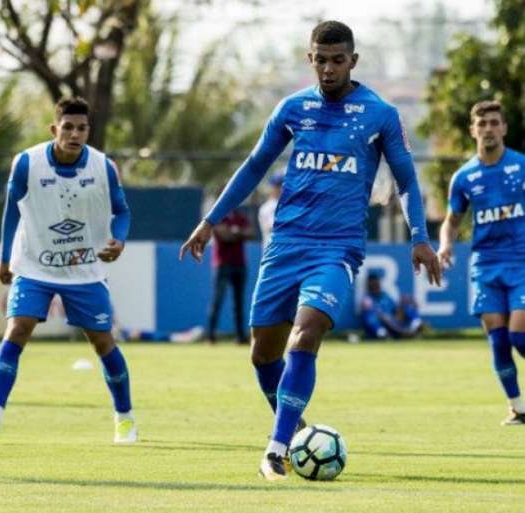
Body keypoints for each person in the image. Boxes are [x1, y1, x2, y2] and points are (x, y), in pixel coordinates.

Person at [180, 20, 441, 481]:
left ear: (353, 61)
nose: (328, 68)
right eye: (320, 59)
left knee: (308, 333)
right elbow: (254, 166)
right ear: (310, 59)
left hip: (337, 248)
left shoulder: (379, 114)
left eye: (337, 60)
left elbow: (406, 180)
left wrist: (419, 236)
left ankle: (276, 450)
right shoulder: (292, 108)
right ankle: (294, 426)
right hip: (285, 245)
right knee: (263, 354)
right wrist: (209, 221)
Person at [0, 97, 137, 445]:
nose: (75, 134)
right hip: (33, 263)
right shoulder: (27, 162)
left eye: (82, 128)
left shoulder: (104, 166)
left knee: (102, 341)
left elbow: (122, 212)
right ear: (54, 128)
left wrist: (118, 241)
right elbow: (12, 211)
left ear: (89, 130)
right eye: (68, 127)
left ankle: (125, 419)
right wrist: (4, 258)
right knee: (17, 330)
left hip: (84, 269)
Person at [438, 100, 525, 426]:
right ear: (473, 130)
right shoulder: (464, 177)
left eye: (494, 123)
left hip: (521, 262)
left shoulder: (521, 166)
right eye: (482, 124)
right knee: (499, 341)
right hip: (485, 266)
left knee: (519, 336)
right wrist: (446, 245)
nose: (488, 129)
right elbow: (451, 220)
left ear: (504, 127)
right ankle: (517, 407)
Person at [207, 205, 253, 343]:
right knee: (217, 300)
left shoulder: (241, 216)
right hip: (222, 264)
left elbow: (251, 234)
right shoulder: (217, 216)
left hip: (239, 264)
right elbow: (223, 235)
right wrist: (239, 234)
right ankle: (210, 336)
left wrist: (234, 233)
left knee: (239, 303)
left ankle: (240, 336)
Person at [360, 270, 423, 340]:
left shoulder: (385, 296)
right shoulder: (367, 299)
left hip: (393, 323)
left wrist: (403, 304)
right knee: (369, 315)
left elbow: (396, 311)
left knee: (407, 307)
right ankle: (382, 333)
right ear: (369, 286)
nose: (375, 286)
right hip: (382, 324)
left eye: (376, 284)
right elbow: (381, 317)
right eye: (373, 285)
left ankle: (415, 325)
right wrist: (389, 321)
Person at [257, 172, 284, 243]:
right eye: (277, 185)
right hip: (271, 250)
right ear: (271, 187)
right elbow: (273, 226)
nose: (280, 188)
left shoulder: (287, 204)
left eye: (282, 185)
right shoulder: (266, 208)